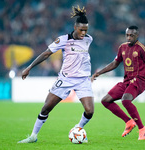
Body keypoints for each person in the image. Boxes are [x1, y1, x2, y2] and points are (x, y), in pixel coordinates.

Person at [18, 6, 94, 143]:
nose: (83, 33)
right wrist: (29, 67)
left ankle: (77, 128)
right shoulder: (63, 39)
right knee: (46, 108)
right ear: (75, 27)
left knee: (90, 111)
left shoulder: (89, 39)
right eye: (81, 30)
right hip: (65, 79)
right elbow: (46, 53)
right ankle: (33, 136)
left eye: (86, 30)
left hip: (83, 80)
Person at [91, 25, 145, 140]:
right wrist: (99, 72)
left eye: (131, 35)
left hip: (139, 81)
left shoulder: (142, 49)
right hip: (127, 81)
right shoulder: (122, 47)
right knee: (105, 101)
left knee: (125, 100)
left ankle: (142, 128)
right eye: (127, 35)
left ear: (137, 36)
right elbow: (114, 63)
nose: (128, 38)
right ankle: (129, 122)